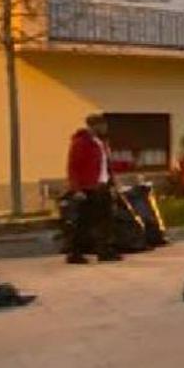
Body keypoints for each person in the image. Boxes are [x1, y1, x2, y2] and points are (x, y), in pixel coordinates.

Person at [65, 113, 120, 264]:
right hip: (88, 188)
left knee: (106, 222)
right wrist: (76, 189)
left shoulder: (102, 143)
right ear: (92, 126)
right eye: (101, 125)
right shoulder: (81, 142)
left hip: (103, 185)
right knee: (84, 223)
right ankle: (75, 253)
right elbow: (73, 167)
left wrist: (113, 184)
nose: (104, 128)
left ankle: (105, 251)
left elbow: (107, 165)